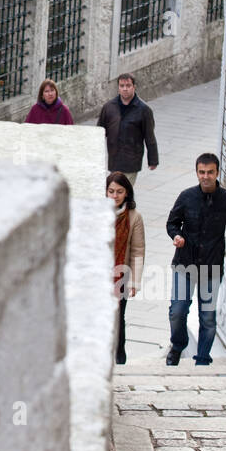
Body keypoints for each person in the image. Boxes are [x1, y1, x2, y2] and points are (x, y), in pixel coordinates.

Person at [165, 153, 226, 366]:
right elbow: (172, 223)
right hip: (185, 263)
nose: (206, 176)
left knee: (207, 316)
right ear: (197, 173)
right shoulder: (186, 196)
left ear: (217, 173)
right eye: (202, 172)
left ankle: (202, 359)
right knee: (177, 311)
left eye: (210, 172)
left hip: (211, 267)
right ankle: (178, 345)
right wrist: (177, 236)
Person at [108, 171, 145, 366]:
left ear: (127, 193)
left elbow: (138, 250)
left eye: (119, 191)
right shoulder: (97, 214)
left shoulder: (134, 217)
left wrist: (135, 282)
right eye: (111, 191)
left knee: (118, 319)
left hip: (121, 276)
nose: (115, 196)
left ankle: (119, 358)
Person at [95, 73, 158, 185]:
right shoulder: (109, 107)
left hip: (132, 159)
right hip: (114, 158)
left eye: (128, 86)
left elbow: (149, 136)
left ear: (134, 87)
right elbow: (99, 132)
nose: (125, 89)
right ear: (118, 87)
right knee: (116, 192)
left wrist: (153, 160)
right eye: (122, 86)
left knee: (123, 191)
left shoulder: (144, 110)